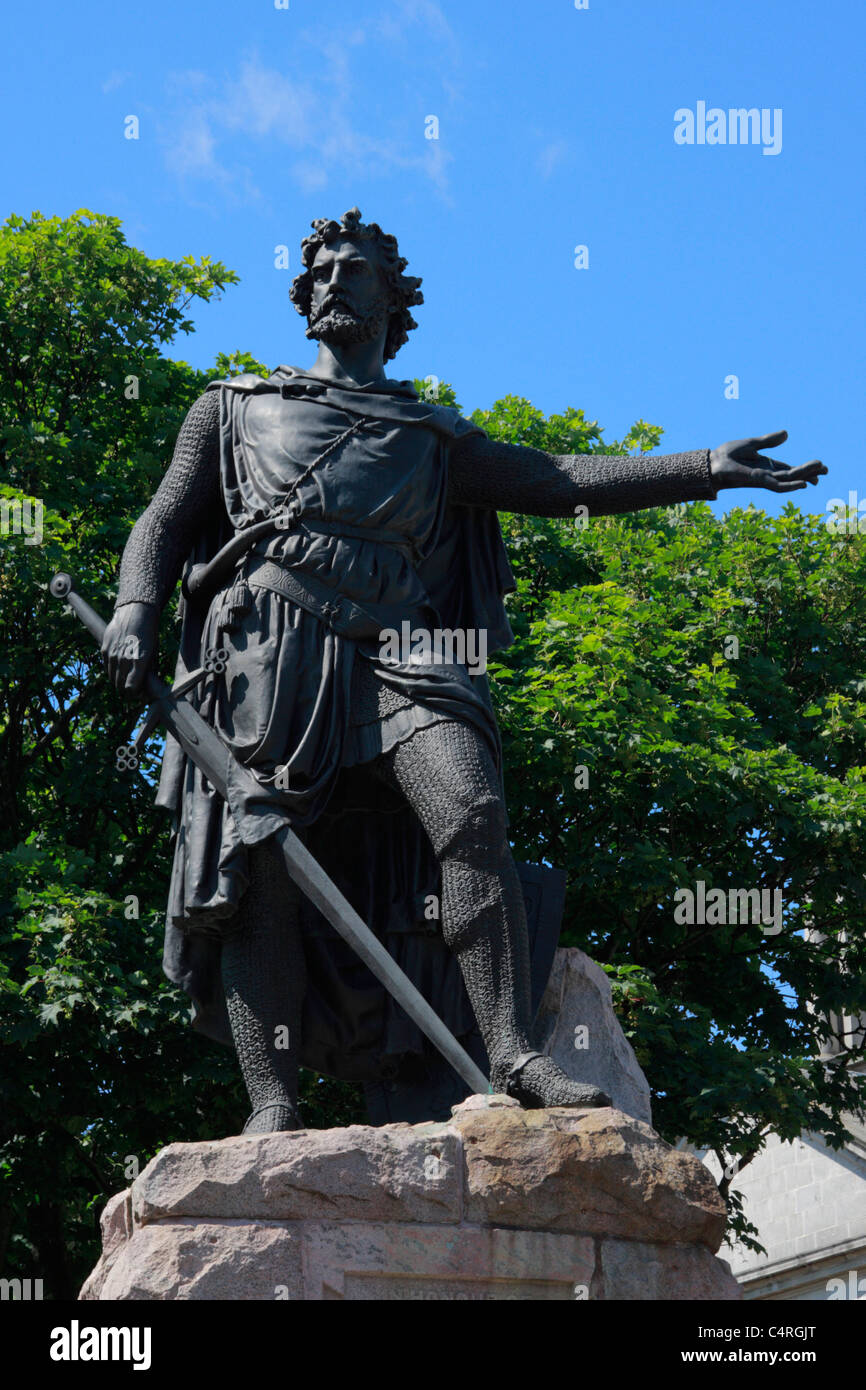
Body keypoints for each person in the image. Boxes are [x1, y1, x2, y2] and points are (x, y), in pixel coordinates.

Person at [101, 208, 825, 1133]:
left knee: (472, 813)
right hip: (271, 649)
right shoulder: (234, 405)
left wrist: (704, 467)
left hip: (405, 650)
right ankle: (272, 1103)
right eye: (317, 270)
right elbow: (164, 519)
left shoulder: (432, 437)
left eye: (353, 269)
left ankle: (514, 1057)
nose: (330, 282)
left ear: (395, 300)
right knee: (256, 862)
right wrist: (136, 609)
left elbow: (559, 479)